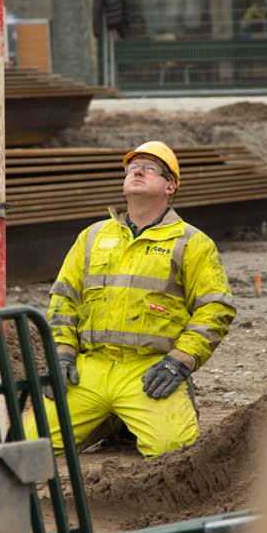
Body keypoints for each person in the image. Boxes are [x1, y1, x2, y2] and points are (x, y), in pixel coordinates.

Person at [27, 141, 237, 458]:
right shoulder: (93, 236)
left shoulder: (192, 242)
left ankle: (128, 414)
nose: (137, 170)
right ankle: (112, 419)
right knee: (27, 446)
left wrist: (180, 362)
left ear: (170, 186)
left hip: (147, 370)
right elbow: (64, 299)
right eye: (131, 168)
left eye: (149, 168)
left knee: (173, 452)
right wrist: (62, 352)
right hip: (90, 368)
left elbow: (215, 308)